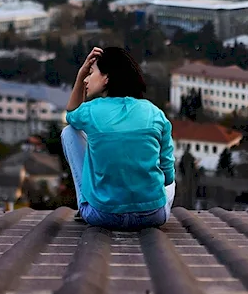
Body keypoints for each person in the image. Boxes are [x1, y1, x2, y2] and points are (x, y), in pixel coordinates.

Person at [61, 46, 176, 230]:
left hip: (102, 216)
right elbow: (168, 177)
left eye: (91, 73)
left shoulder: (91, 110)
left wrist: (80, 75)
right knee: (167, 180)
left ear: (107, 78)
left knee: (69, 132)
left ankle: (86, 201)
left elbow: (71, 115)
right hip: (153, 216)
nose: (87, 80)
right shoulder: (155, 113)